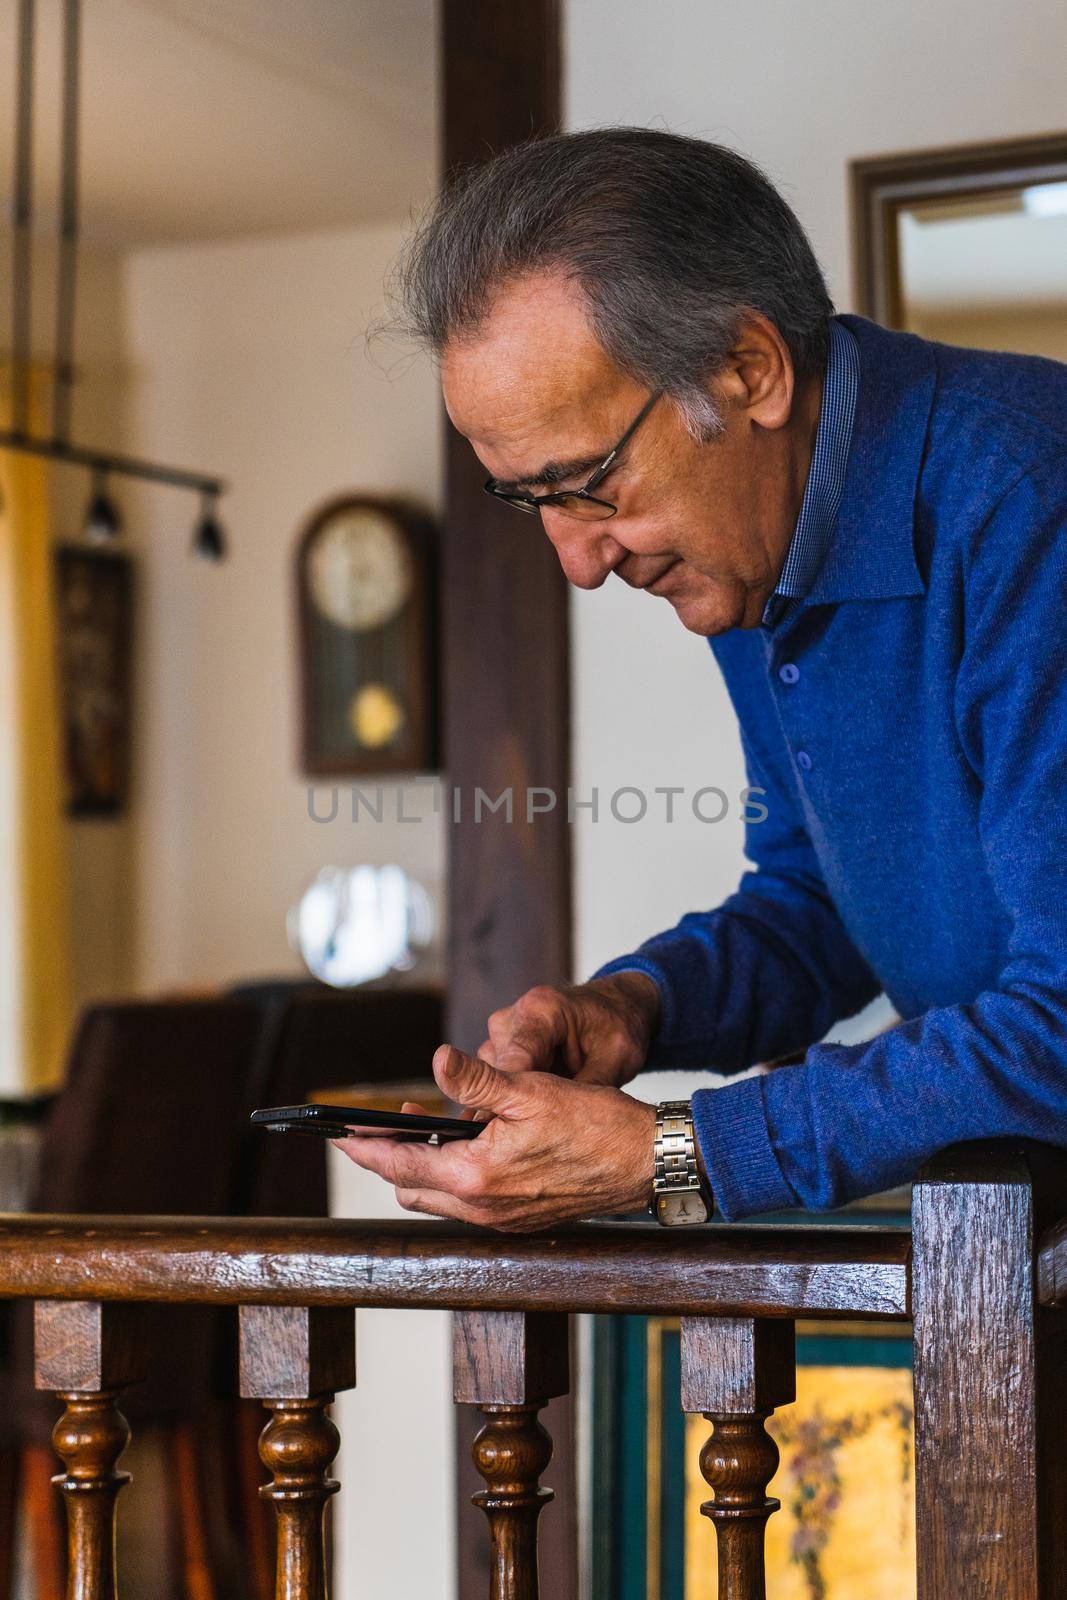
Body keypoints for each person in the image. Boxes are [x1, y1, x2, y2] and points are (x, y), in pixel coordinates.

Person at [337, 127, 1067, 1229]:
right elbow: (820, 898)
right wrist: (641, 1006)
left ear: (747, 368)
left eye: (586, 484)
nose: (579, 563)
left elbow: (1058, 1019)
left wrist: (677, 1152)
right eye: (529, 503)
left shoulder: (1026, 493)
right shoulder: (759, 543)